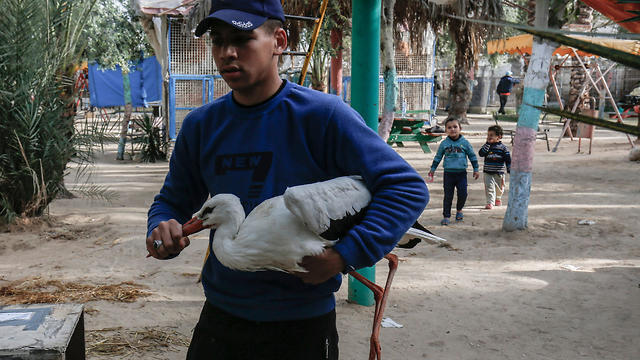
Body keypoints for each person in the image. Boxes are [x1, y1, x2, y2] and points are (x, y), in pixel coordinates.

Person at [145, 1, 430, 359]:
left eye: (243, 39)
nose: (227, 53)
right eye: (218, 40)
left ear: (279, 40)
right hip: (220, 322)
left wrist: (344, 255)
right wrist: (161, 229)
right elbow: (171, 201)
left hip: (303, 328)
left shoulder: (324, 116)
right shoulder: (200, 126)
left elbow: (405, 187)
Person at [427, 117, 479, 226]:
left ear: (460, 128)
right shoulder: (444, 144)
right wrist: (432, 170)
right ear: (446, 130)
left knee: (463, 194)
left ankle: (459, 210)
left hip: (461, 174)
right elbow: (438, 157)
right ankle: (446, 216)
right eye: (449, 127)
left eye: (455, 127)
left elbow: (472, 156)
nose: (452, 129)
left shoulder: (465, 143)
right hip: (448, 174)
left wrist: (476, 169)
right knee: (448, 196)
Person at [478, 125, 511, 209]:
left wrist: (509, 169)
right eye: (488, 135)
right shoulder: (487, 146)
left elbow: (508, 159)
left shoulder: (503, 148)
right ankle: (490, 202)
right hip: (488, 172)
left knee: (500, 188)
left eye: (491, 135)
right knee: (489, 187)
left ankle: (498, 198)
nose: (489, 137)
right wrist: (487, 144)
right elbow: (481, 153)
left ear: (498, 137)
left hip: (499, 172)